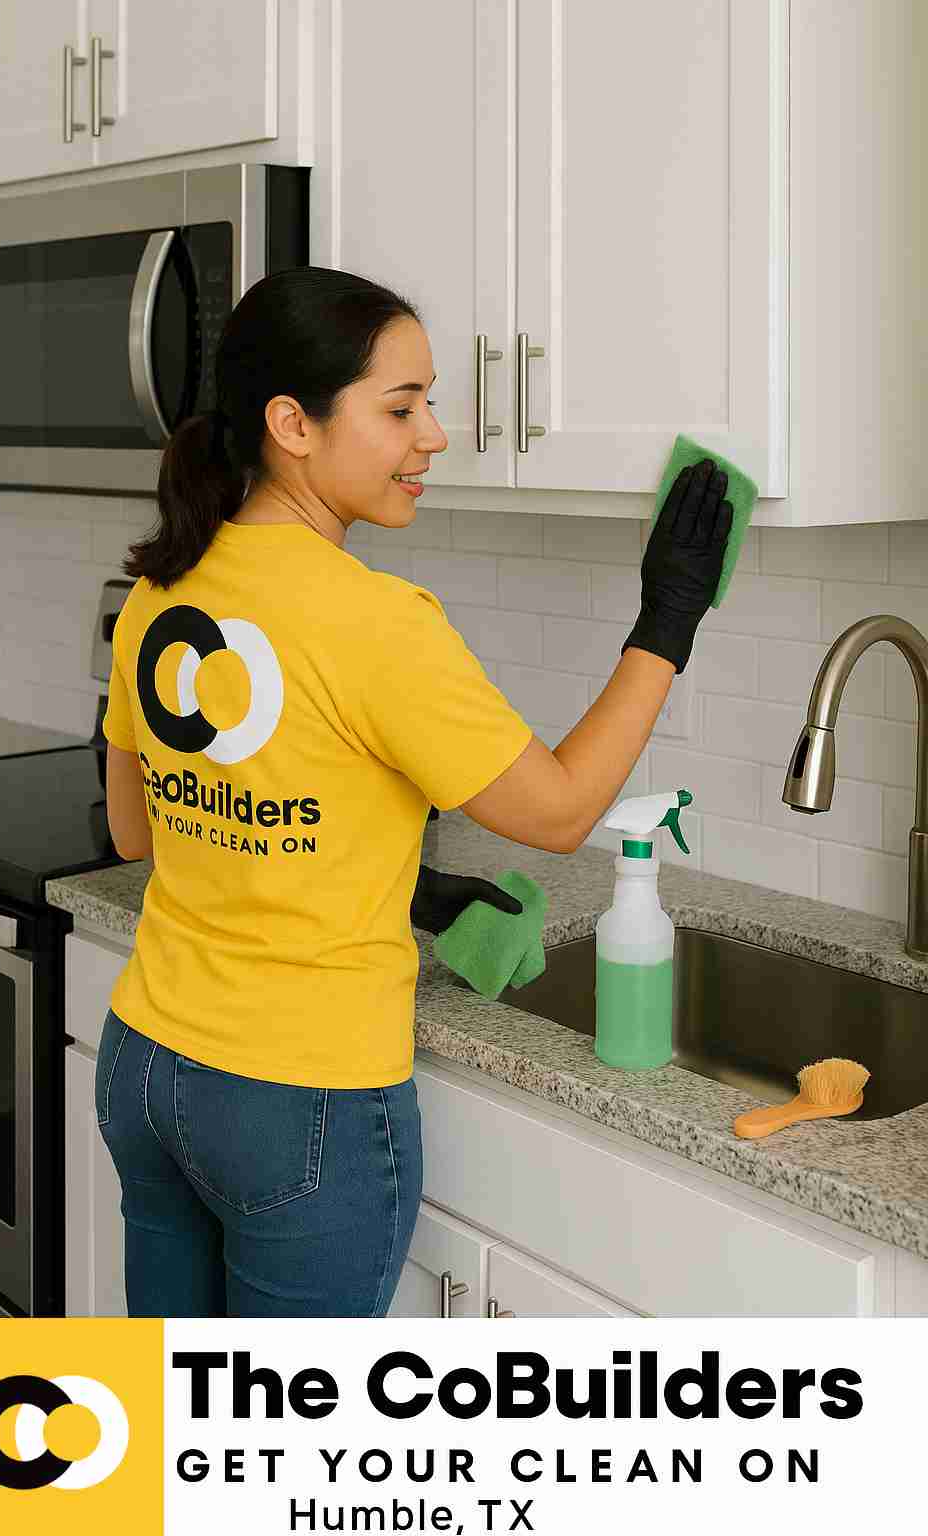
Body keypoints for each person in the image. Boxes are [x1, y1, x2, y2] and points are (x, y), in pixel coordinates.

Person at [95, 265, 732, 1318]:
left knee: (173, 1436)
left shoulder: (160, 591)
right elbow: (562, 810)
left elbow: (135, 832)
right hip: (298, 1097)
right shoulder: (378, 620)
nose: (434, 435)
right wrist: (667, 622)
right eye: (401, 408)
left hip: (149, 1067)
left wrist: (396, 886)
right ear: (293, 424)